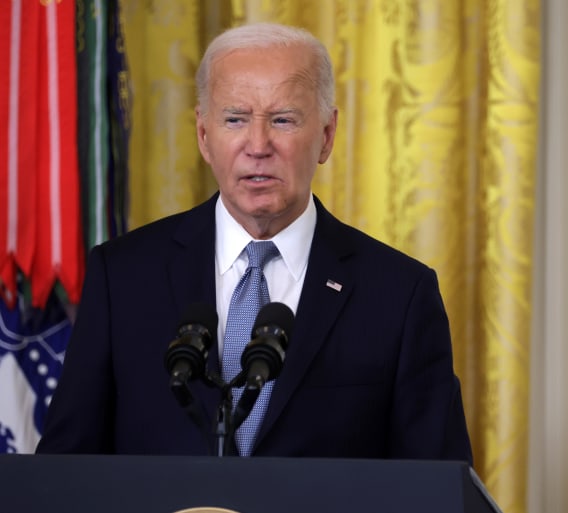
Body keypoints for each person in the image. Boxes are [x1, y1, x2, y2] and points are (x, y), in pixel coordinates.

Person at [36, 22, 473, 463]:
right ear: (204, 135)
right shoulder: (124, 277)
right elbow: (62, 474)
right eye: (235, 119)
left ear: (326, 135)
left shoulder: (399, 295)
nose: (258, 145)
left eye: (283, 120)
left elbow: (436, 490)